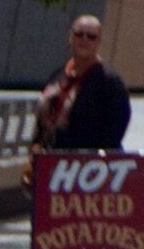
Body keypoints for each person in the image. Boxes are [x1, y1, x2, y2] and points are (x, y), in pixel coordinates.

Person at [37, 15, 133, 151]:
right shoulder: (58, 75)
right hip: (51, 158)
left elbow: (117, 128)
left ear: (99, 42)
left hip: (88, 163)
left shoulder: (110, 81)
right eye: (79, 34)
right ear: (70, 37)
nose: (84, 40)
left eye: (91, 36)